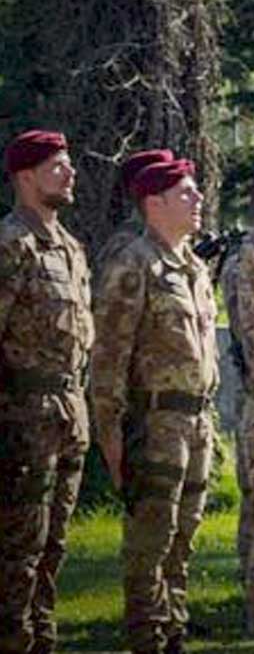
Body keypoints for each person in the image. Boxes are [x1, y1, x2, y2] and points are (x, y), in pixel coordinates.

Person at [91, 159, 219, 654]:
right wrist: (110, 432)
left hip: (198, 419)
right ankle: (146, 633)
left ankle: (174, 630)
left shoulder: (193, 266)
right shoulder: (134, 263)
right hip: (156, 420)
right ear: (154, 203)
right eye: (186, 193)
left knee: (185, 534)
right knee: (153, 535)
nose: (198, 199)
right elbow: (109, 356)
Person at [0, 131, 94, 654]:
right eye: (59, 165)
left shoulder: (69, 247)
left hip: (67, 413)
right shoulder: (11, 243)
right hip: (23, 416)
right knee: (20, 547)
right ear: (26, 176)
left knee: (54, 543)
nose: (71, 172)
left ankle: (44, 638)